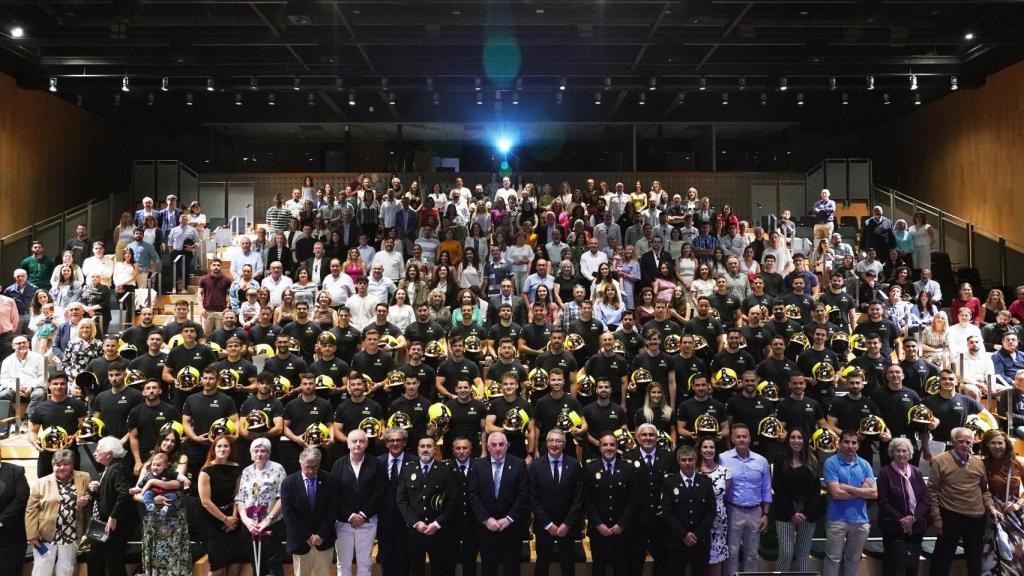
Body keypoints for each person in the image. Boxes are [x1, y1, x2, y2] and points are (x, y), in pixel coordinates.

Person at [927, 427, 992, 576]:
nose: (964, 445)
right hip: (950, 515)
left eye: (968, 442)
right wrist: (936, 517)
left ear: (972, 443)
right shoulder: (940, 460)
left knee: (975, 561)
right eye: (960, 441)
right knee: (942, 560)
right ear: (952, 442)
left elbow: (985, 490)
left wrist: (991, 508)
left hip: (976, 518)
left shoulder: (979, 463)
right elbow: (932, 491)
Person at [470, 431, 531, 576]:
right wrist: (486, 519)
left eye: (501, 444)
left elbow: (523, 495)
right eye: (494, 445)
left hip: (511, 528)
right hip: (486, 528)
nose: (498, 448)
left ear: (507, 446)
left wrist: (509, 519)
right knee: (488, 567)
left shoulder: (518, 464)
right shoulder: (477, 465)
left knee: (512, 567)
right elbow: (473, 495)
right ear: (488, 447)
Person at [396, 436, 457, 576]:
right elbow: (401, 499)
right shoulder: (408, 469)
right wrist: (415, 522)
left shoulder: (445, 470)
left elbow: (452, 501)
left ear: (435, 449)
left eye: (429, 446)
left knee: (439, 568)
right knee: (415, 569)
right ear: (417, 449)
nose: (425, 449)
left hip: (437, 531)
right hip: (415, 531)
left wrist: (437, 523)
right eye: (422, 446)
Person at [26, 449, 91, 576]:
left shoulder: (84, 477)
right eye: (57, 464)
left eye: (66, 464)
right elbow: (31, 509)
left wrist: (87, 498)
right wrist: (31, 534)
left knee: (67, 567)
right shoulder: (41, 482)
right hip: (44, 534)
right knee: (42, 567)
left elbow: (90, 494)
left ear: (72, 465)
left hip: (71, 532)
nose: (61, 467)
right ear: (53, 465)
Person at [529, 429, 584, 576]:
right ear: (546, 443)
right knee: (542, 564)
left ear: (565, 444)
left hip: (567, 526)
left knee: (568, 565)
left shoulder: (574, 465)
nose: (554, 444)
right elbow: (533, 498)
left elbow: (579, 498)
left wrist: (567, 524)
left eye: (558, 441)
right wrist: (548, 524)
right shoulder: (536, 466)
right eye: (551, 441)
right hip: (544, 526)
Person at [719, 423, 771, 575]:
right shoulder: (723, 458)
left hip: (755, 512)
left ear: (749, 439)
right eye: (738, 437)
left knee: (752, 554)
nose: (742, 439)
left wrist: (766, 514)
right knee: (732, 553)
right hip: (733, 510)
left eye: (744, 436)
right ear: (732, 439)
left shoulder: (761, 461)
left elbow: (766, 489)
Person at [823, 429, 877, 576]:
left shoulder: (865, 464)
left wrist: (847, 488)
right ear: (839, 444)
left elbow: (873, 493)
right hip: (837, 519)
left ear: (858, 445)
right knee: (833, 559)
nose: (850, 446)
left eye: (854, 442)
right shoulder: (831, 463)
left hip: (860, 520)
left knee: (854, 559)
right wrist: (861, 492)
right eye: (846, 442)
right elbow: (836, 493)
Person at [332, 429, 385, 576]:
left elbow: (379, 492)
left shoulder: (376, 464)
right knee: (343, 565)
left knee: (365, 564)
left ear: (366, 444)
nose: (357, 444)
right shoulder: (338, 465)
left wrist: (363, 514)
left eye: (361, 441)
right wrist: (350, 516)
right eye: (354, 441)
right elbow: (335, 495)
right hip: (344, 523)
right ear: (348, 444)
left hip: (367, 522)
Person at [877, 437, 931, 576]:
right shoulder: (884, 472)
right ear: (892, 453)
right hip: (893, 526)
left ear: (910, 453)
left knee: (911, 565)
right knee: (891, 565)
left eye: (904, 451)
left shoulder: (916, 472)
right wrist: (903, 520)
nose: (901, 454)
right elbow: (883, 502)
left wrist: (913, 518)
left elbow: (925, 499)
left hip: (916, 526)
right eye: (898, 451)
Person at [281, 447, 338, 576]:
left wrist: (320, 534)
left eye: (315, 466)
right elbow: (289, 514)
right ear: (300, 462)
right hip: (301, 542)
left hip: (323, 541)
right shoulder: (289, 483)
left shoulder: (330, 480)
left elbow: (333, 510)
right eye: (307, 467)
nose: (311, 471)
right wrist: (308, 536)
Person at [661, 444, 717, 576]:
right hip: (677, 541)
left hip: (700, 541)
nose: (687, 463)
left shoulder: (706, 482)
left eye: (690, 460)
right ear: (678, 461)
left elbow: (711, 511)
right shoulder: (669, 482)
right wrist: (684, 535)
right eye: (683, 460)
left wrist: (696, 534)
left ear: (696, 460)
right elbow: (667, 512)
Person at [236, 437, 287, 576]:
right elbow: (240, 498)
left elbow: (282, 497)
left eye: (263, 451)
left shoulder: (277, 469)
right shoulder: (246, 471)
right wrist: (246, 520)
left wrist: (268, 520)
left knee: (273, 565)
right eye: (256, 451)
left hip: (271, 525)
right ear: (251, 454)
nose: (259, 454)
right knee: (257, 566)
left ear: (269, 454)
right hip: (250, 526)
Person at [86, 436, 135, 576]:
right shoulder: (110, 468)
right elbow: (109, 495)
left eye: (98, 450)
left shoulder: (117, 468)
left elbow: (124, 494)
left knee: (113, 563)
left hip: (113, 525)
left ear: (110, 454)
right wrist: (96, 490)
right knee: (95, 560)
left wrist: (114, 516)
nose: (95, 453)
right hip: (102, 523)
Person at [197, 435, 246, 576]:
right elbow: (205, 502)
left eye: (226, 446)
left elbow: (238, 495)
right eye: (219, 446)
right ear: (214, 449)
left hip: (232, 519)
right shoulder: (206, 471)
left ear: (230, 449)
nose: (222, 449)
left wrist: (234, 519)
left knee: (235, 561)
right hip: (212, 521)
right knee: (218, 565)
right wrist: (225, 519)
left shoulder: (236, 468)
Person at [979, 429, 1024, 574]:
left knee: (1017, 550)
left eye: (1000, 443)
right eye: (993, 443)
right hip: (994, 512)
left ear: (1006, 445)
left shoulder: (1018, 463)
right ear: (987, 445)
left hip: (1016, 513)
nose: (997, 446)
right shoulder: (982, 464)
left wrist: (1018, 504)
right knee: (994, 550)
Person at [378, 427, 414, 576]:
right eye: (391, 440)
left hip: (407, 520)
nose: (395, 443)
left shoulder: (414, 461)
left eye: (398, 440)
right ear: (386, 443)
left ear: (404, 442)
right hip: (384, 520)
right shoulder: (377, 462)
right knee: (386, 560)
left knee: (405, 560)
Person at [695, 436, 731, 575]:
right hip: (698, 520)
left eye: (711, 447)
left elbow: (725, 497)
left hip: (718, 521)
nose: (708, 450)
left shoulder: (724, 472)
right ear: (700, 450)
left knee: (717, 558)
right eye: (705, 447)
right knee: (699, 558)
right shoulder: (694, 470)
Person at [0, 334, 46, 421]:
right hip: (14, 389)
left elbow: (43, 376)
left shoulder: (38, 357)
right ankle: (13, 419)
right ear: (13, 346)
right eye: (18, 343)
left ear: (28, 344)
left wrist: (31, 387)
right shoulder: (7, 361)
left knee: (39, 394)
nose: (22, 345)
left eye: (24, 342)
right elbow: (4, 379)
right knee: (2, 395)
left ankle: (29, 418)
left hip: (33, 388)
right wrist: (15, 387)